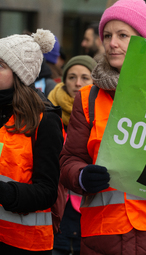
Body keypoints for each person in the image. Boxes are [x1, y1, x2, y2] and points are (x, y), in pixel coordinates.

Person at [59, 0, 146, 254]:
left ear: (144, 40)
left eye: (123, 35)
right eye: (108, 35)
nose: (112, 43)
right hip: (104, 237)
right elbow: (70, 160)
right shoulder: (88, 98)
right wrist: (81, 176)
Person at [0, 29, 64, 254]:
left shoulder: (45, 120)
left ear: (19, 75)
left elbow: (47, 191)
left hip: (24, 244)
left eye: (1, 65)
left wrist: (4, 192)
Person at [49, 55, 96, 255]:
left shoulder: (98, 113)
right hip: (56, 209)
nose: (77, 83)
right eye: (71, 77)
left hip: (87, 210)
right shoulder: (48, 110)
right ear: (63, 79)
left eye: (85, 77)